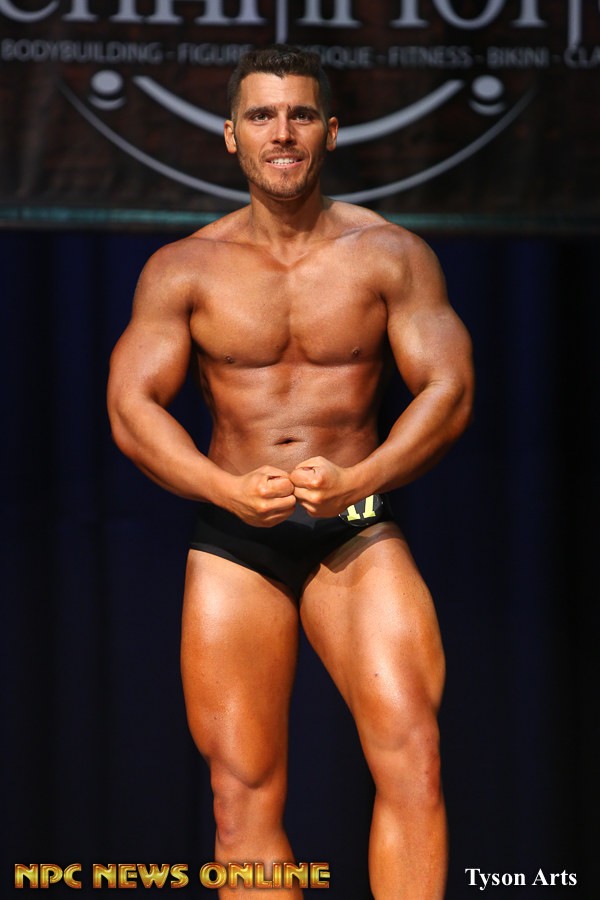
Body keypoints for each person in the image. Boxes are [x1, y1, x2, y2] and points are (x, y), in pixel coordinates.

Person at [107, 45, 474, 899]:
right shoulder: (185, 268)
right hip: (237, 537)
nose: (283, 132)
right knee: (240, 797)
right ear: (231, 134)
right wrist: (223, 488)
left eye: (301, 114)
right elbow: (131, 408)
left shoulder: (390, 255)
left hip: (355, 528)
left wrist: (364, 476)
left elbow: (449, 391)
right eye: (263, 116)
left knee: (414, 757)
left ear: (331, 132)